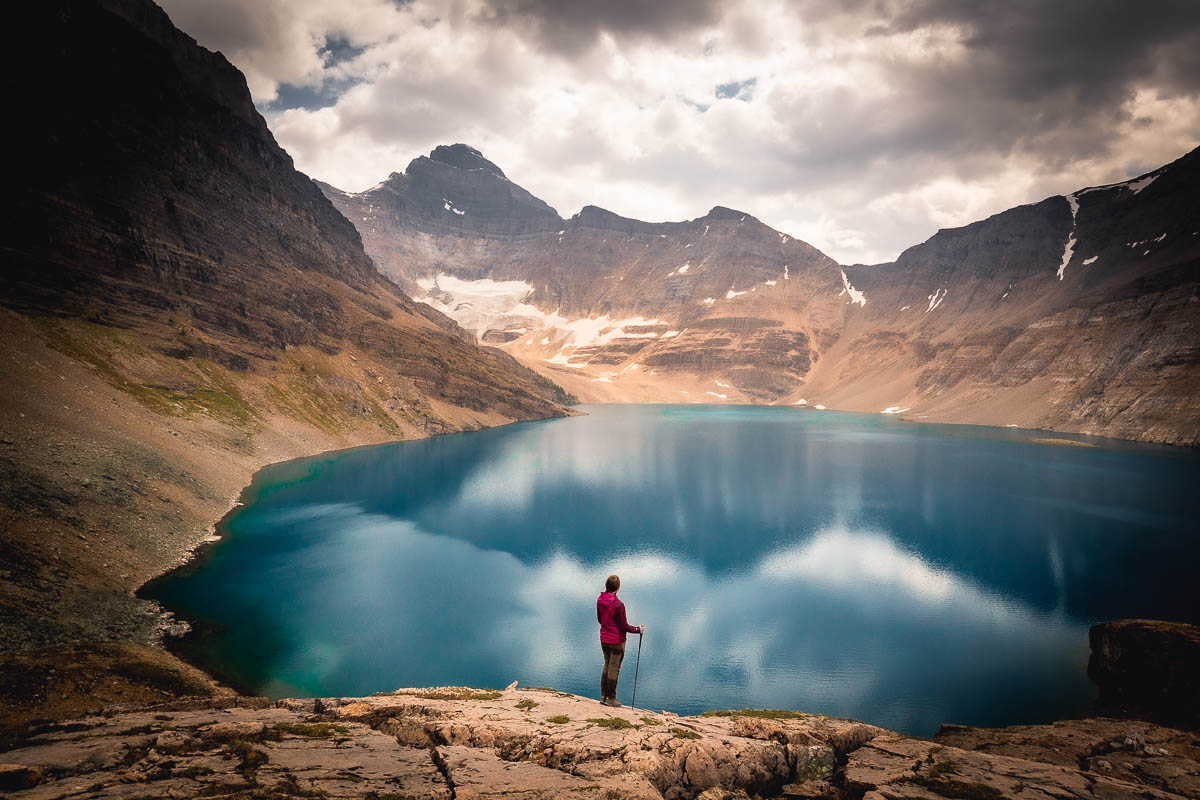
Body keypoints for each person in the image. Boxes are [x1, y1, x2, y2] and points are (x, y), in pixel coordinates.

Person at [596, 574, 643, 706]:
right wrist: (638, 629)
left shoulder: (600, 600)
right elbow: (624, 626)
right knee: (614, 668)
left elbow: (600, 620)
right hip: (616, 641)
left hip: (604, 639)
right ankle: (611, 699)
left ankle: (603, 696)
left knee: (607, 664)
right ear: (618, 587)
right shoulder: (618, 605)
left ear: (607, 586)